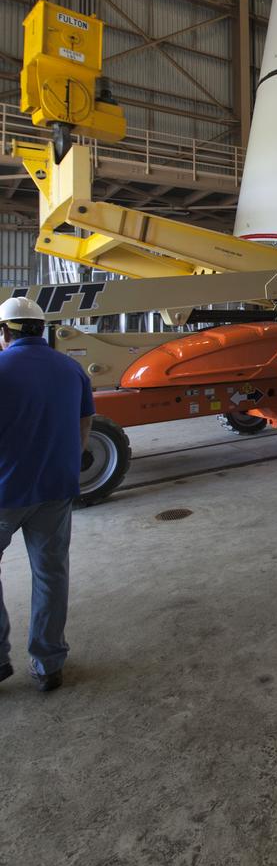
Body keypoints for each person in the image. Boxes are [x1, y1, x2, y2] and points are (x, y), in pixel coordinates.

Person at [0, 296, 94, 693]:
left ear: (5, 331)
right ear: (42, 328)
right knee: (51, 574)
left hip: (5, 491)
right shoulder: (72, 369)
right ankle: (48, 663)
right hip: (56, 488)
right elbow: (84, 425)